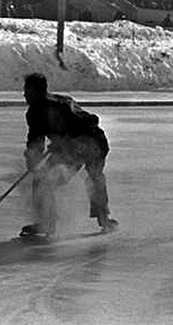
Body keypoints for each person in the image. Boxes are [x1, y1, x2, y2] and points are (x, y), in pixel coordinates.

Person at [20, 73, 118, 239]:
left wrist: (66, 141)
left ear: (35, 91)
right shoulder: (46, 107)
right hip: (86, 144)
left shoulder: (54, 107)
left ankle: (101, 218)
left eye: (26, 90)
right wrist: (33, 159)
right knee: (44, 179)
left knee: (89, 177)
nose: (24, 94)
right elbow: (35, 141)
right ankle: (48, 222)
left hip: (92, 143)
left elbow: (88, 121)